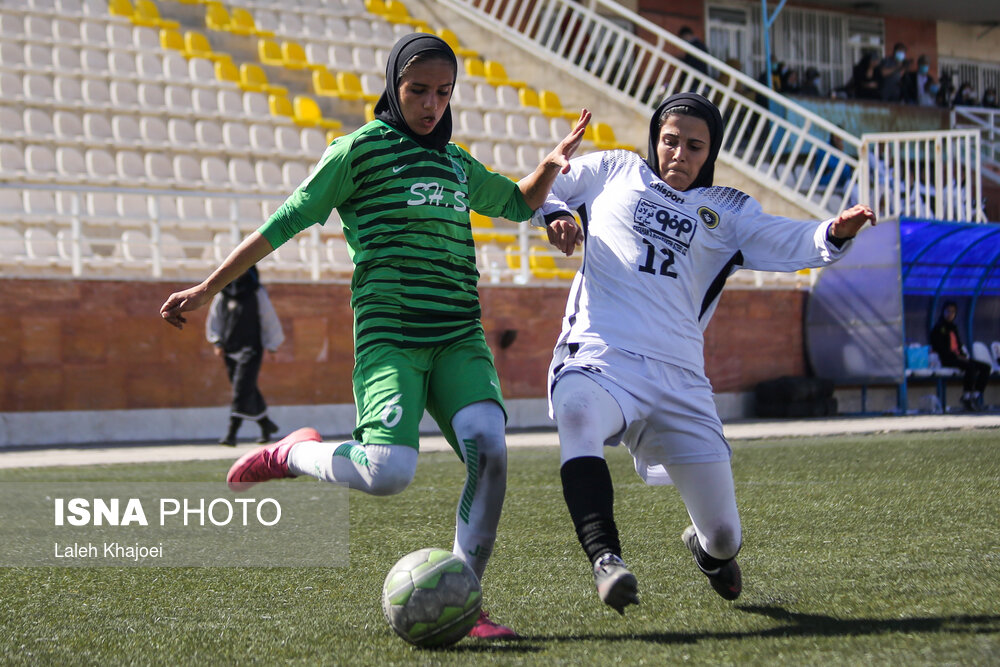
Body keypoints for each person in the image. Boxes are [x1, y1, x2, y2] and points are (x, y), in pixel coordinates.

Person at [160, 33, 590, 638]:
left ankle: (467, 602)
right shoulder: (356, 152)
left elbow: (516, 204)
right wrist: (207, 287)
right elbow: (282, 223)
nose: (431, 105)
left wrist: (548, 167)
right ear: (393, 85)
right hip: (390, 337)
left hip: (458, 335)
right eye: (418, 90)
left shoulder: (454, 160)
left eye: (443, 93)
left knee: (490, 447)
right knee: (388, 472)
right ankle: (291, 453)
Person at [536, 92, 876, 614]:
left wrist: (831, 231)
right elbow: (552, 183)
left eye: (694, 146)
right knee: (577, 416)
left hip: (680, 380)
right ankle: (605, 557)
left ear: (710, 151)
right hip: (600, 355)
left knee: (723, 535)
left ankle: (708, 554)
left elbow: (788, 239)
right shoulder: (615, 169)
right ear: (655, 139)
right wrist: (557, 214)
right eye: (670, 140)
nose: (679, 153)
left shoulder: (729, 209)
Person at [206, 265, 283, 446]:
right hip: (230, 350)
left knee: (241, 389)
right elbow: (215, 318)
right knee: (246, 388)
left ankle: (231, 432)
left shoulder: (256, 292)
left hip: (251, 349)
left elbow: (268, 318)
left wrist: (272, 345)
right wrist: (216, 341)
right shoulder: (222, 293)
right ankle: (265, 424)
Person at [929, 301, 990, 411]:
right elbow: (940, 348)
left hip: (958, 357)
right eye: (948, 311)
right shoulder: (938, 328)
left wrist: (962, 355)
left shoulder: (953, 327)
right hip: (947, 358)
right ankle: (966, 396)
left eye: (953, 312)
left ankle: (975, 395)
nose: (950, 314)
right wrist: (957, 357)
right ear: (943, 312)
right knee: (970, 367)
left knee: (985, 367)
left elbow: (958, 345)